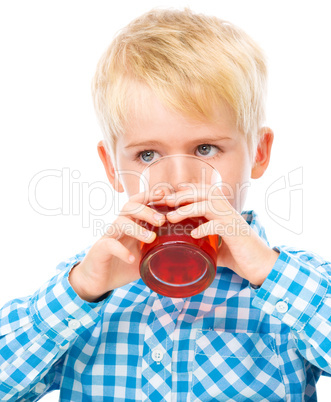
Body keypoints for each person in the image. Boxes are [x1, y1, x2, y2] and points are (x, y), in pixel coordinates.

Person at [0, 7, 330, 401]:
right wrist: (80, 290)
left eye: (205, 148)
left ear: (258, 153)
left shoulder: (295, 287)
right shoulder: (89, 289)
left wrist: (268, 271)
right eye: (148, 155)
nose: (177, 181)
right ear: (111, 166)